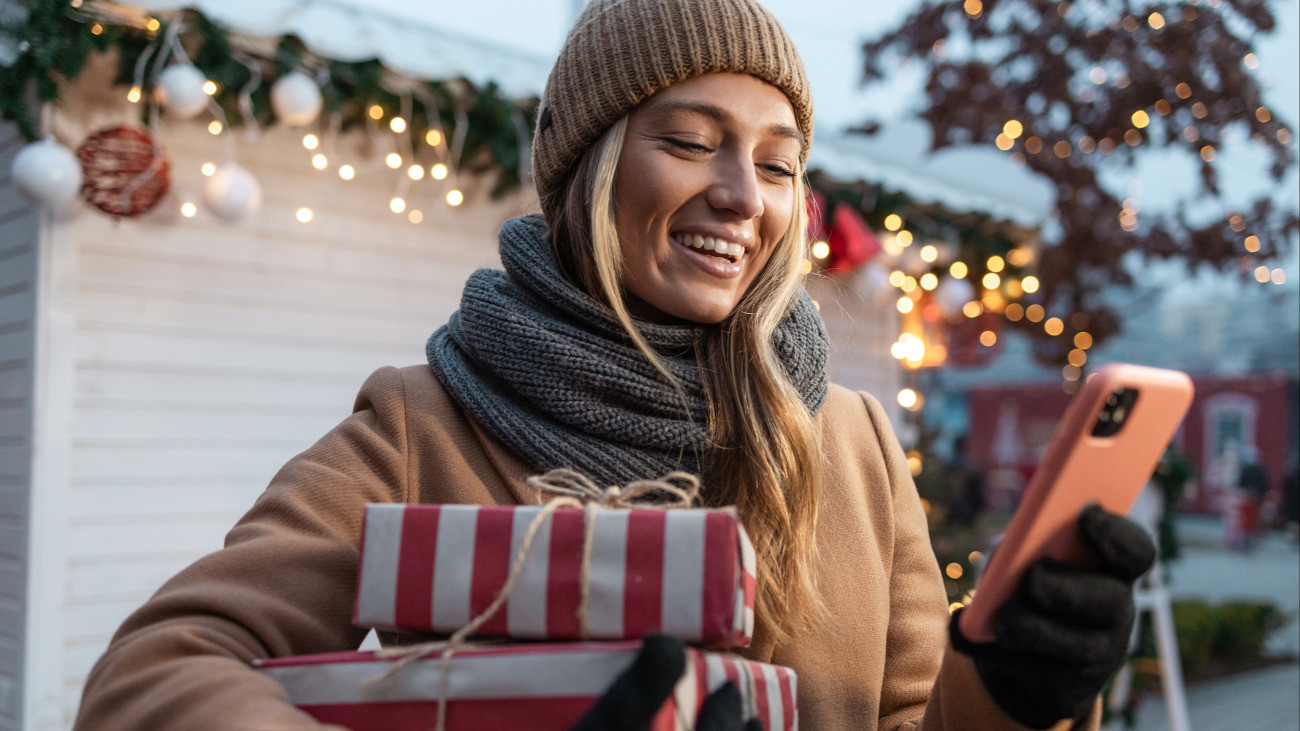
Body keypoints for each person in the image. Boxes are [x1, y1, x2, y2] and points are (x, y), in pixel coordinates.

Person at [73, 1, 1154, 729]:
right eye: (689, 141)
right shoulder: (421, 424)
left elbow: (913, 719)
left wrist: (1010, 682)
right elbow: (154, 673)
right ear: (590, 168)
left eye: (779, 164)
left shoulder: (852, 439)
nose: (744, 194)